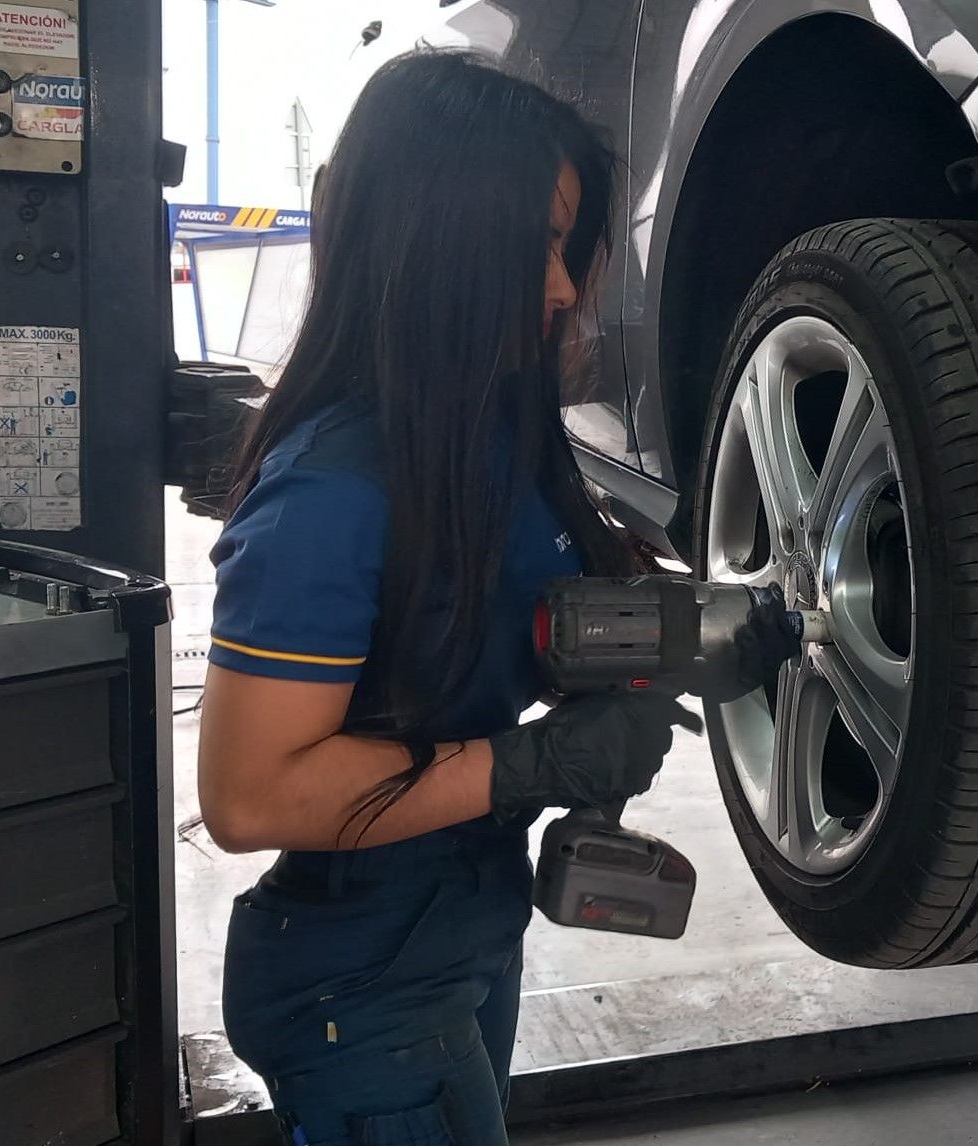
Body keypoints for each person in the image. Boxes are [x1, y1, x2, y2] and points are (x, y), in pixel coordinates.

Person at [198, 52, 694, 1146]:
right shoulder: (333, 494)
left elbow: (546, 605)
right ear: (433, 240)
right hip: (356, 983)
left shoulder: (492, 439)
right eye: (534, 249)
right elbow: (248, 796)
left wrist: (697, 636)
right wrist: (535, 763)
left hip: (465, 918)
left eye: (567, 250)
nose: (561, 288)